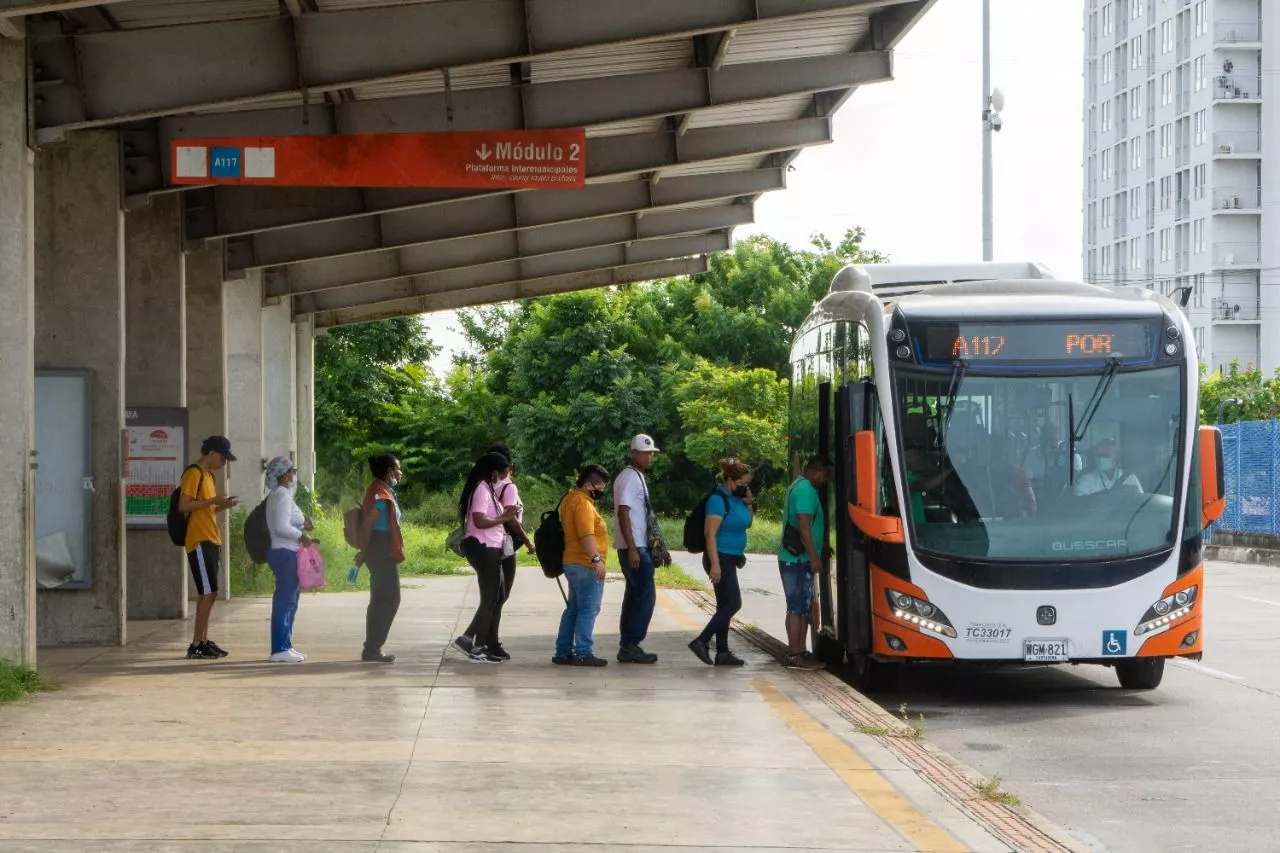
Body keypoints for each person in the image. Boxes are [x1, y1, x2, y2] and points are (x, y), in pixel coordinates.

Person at [457, 444, 533, 661]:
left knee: (496, 597)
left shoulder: (488, 489)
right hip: (484, 547)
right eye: (499, 472)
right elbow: (479, 520)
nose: (501, 476)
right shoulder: (481, 488)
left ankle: (471, 640)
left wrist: (505, 514)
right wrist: (504, 517)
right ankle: (478, 647)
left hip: (492, 547)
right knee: (490, 599)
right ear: (492, 471)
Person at [689, 458, 754, 668]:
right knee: (734, 603)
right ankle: (701, 641)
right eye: (741, 483)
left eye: (746, 484)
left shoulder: (736, 499)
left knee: (724, 606)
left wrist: (749, 504)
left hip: (731, 558)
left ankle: (723, 652)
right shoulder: (717, 500)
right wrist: (715, 564)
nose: (744, 487)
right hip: (719, 557)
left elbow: (748, 522)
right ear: (728, 480)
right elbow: (710, 535)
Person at [180, 436, 239, 660]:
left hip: (211, 538)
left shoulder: (209, 477)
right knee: (207, 592)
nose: (224, 463)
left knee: (211, 593)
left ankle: (203, 640)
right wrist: (211, 501)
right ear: (212, 453)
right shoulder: (193, 473)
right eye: (223, 458)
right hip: (198, 540)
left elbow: (205, 510)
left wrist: (220, 505)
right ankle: (196, 644)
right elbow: (183, 506)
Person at [554, 464, 612, 667]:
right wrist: (597, 560)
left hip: (572, 561)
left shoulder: (569, 499)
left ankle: (563, 651)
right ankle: (583, 652)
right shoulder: (583, 504)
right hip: (585, 563)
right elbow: (586, 535)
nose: (601, 492)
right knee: (589, 609)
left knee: (574, 609)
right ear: (588, 485)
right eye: (600, 487)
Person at [778, 455, 832, 670]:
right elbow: (804, 527)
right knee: (797, 608)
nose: (825, 480)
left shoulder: (797, 486)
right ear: (816, 471)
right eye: (825, 475)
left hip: (794, 558)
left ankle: (798, 651)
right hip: (798, 559)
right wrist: (814, 557)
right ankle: (795, 655)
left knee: (800, 607)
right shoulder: (806, 491)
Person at [613, 433, 662, 664]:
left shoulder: (635, 476)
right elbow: (624, 511)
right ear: (634, 454)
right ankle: (631, 644)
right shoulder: (630, 478)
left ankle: (628, 644)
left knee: (635, 595)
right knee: (644, 596)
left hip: (637, 545)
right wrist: (632, 548)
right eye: (645, 452)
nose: (650, 456)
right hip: (635, 547)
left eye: (652, 453)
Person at [355, 454, 405, 663]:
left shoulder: (381, 490)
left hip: (379, 548)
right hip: (380, 548)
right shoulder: (380, 494)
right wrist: (364, 551)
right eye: (397, 469)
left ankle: (371, 647)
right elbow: (368, 524)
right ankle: (373, 647)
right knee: (390, 598)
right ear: (389, 471)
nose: (400, 473)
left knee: (379, 599)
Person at [264, 456, 313, 663]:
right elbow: (281, 527)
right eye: (291, 471)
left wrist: (303, 524)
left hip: (284, 551)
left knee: (290, 601)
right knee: (285, 602)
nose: (293, 475)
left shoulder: (277, 495)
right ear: (283, 474)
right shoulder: (282, 495)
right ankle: (279, 648)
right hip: (285, 552)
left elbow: (285, 522)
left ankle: (286, 645)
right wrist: (301, 535)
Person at [1074, 438, 1143, 496]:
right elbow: (1080, 507)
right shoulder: (1086, 481)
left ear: (1116, 458)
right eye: (1098, 456)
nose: (1101, 458)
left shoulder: (1130, 479)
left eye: (1105, 456)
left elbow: (1141, 504)